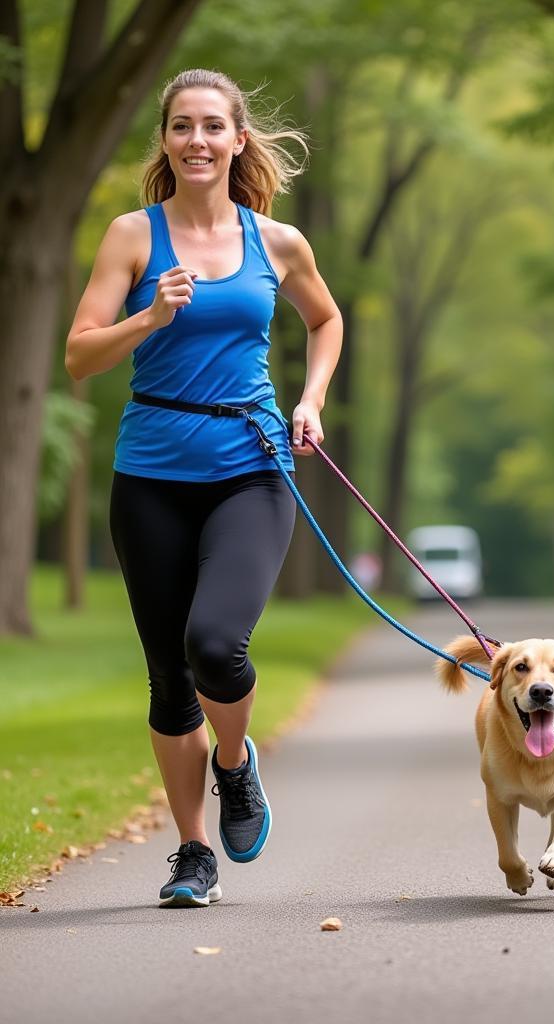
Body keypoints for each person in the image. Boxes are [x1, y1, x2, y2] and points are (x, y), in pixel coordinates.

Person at [65, 68, 343, 908]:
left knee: (216, 643)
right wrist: (148, 317)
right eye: (181, 126)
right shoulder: (131, 237)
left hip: (252, 466)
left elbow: (326, 320)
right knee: (168, 675)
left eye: (213, 126)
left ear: (237, 139)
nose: (197, 140)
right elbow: (79, 356)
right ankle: (192, 854)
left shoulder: (278, 242)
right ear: (165, 140)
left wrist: (310, 401)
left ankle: (235, 765)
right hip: (149, 474)